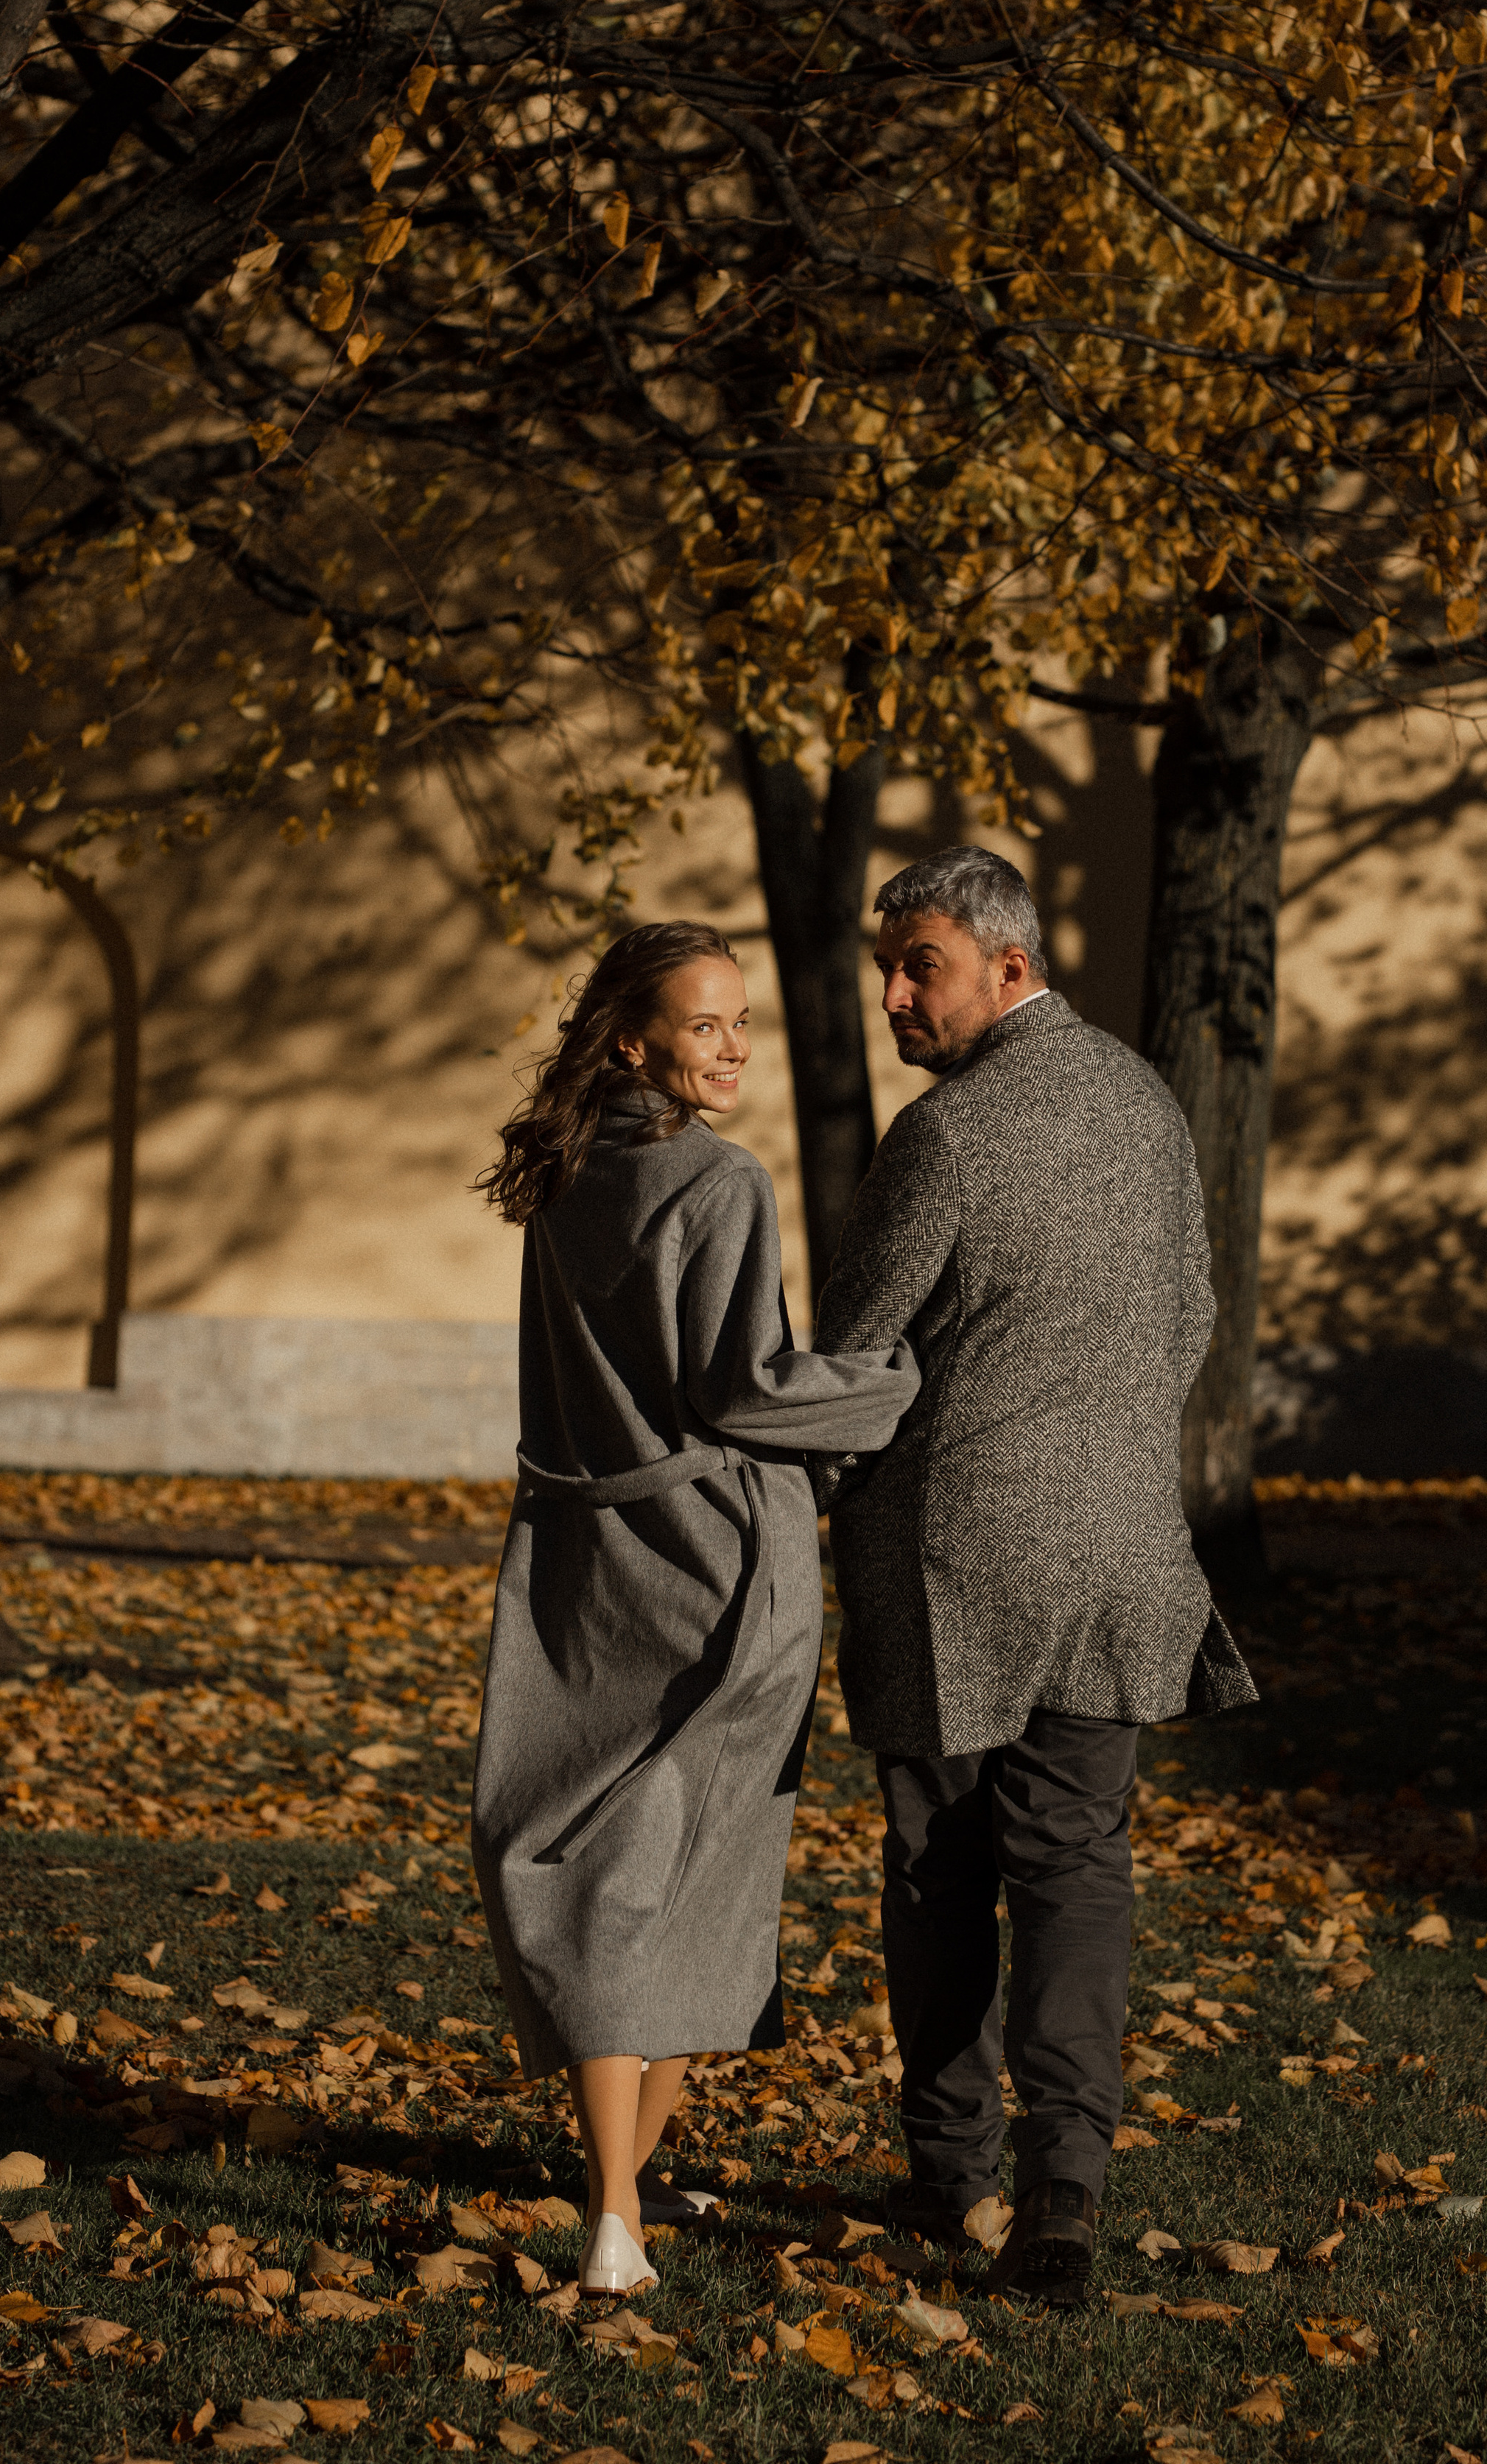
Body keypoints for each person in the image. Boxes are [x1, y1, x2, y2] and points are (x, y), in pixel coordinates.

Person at [809, 846, 1256, 2302]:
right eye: (886, 968)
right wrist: (1099, 1439)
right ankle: (1067, 2184)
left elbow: (852, 1356)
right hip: (1121, 1548)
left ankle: (954, 2176)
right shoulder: (1146, 1103)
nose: (892, 996)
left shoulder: (944, 1135)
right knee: (1075, 1865)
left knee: (941, 1871)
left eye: (918, 967)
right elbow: (1190, 1315)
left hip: (952, 1561)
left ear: (1008, 967)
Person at [471, 921, 920, 2301]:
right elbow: (745, 1390)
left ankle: (623, 2196)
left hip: (579, 1556)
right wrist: (893, 1384)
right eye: (706, 1024)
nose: (732, 1049)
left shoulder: (564, 1170)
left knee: (588, 1863)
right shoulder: (718, 1181)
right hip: (714, 1564)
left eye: (741, 1023)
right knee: (698, 1874)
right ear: (634, 1042)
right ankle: (616, 2209)